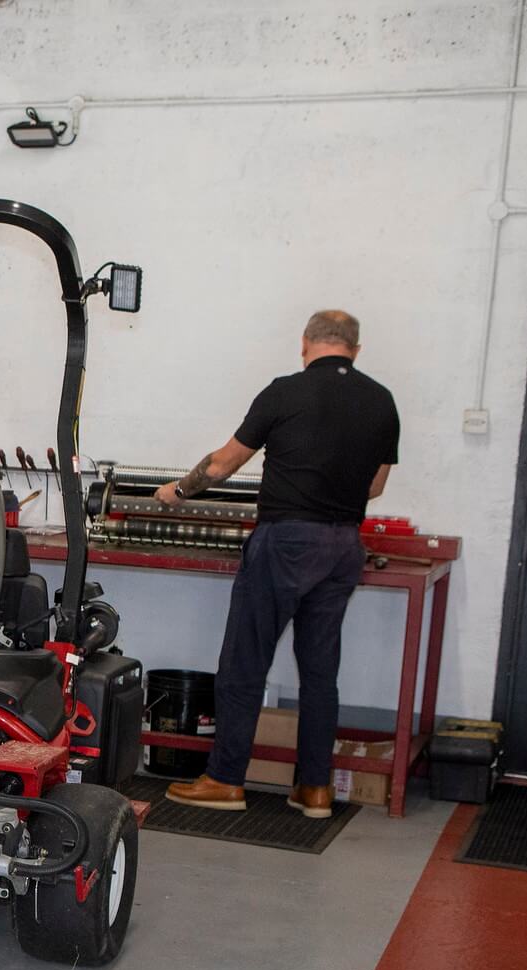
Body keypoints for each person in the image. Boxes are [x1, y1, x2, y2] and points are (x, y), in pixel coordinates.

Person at [155, 309, 399, 819]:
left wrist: (177, 491)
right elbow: (375, 487)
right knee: (319, 673)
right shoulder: (381, 401)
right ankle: (314, 789)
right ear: (355, 348)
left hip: (286, 541)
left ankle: (224, 780)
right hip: (342, 548)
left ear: (306, 343)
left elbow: (224, 463)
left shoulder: (284, 392)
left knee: (244, 664)